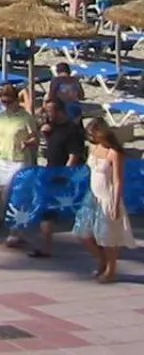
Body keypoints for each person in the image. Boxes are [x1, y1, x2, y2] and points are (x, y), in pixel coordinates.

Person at [73, 121, 135, 282]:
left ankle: (110, 269)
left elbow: (118, 181)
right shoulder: (93, 148)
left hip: (107, 196)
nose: (91, 138)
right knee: (83, 233)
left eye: (93, 134)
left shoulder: (114, 153)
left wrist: (115, 204)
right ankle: (101, 260)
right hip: (92, 195)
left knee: (107, 237)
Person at [27, 97, 87, 257]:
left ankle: (96, 240)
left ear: (59, 111)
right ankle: (45, 246)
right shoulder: (50, 127)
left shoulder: (72, 131)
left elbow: (73, 156)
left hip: (64, 176)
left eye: (50, 111)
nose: (47, 114)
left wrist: (65, 176)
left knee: (74, 210)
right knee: (46, 211)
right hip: (50, 171)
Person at [0, 83, 39, 246]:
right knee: (6, 196)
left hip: (19, 160)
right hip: (3, 158)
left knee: (14, 195)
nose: (5, 105)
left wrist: (27, 143)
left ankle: (15, 230)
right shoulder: (0, 117)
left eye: (8, 101)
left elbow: (35, 137)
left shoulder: (25, 117)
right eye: (2, 101)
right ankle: (19, 227)